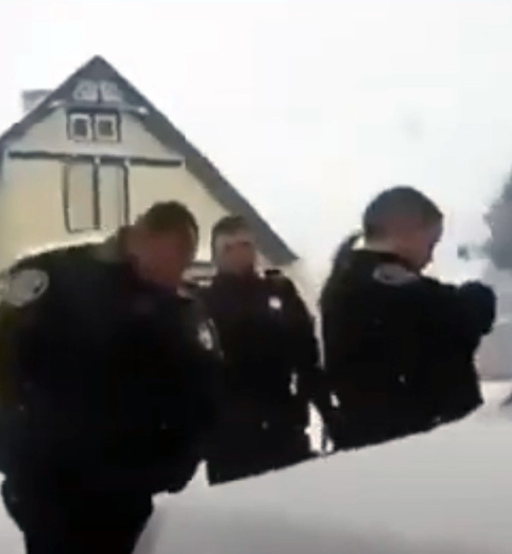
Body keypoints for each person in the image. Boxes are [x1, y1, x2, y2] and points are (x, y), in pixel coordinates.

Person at [1, 201, 222, 554]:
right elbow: (5, 364)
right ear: (141, 239)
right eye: (172, 260)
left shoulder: (177, 307)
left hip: (127, 495)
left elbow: (203, 389)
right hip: (55, 494)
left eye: (184, 264)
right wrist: (23, 456)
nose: (175, 275)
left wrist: (180, 461)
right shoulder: (56, 278)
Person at [320, 186, 496, 451]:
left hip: (383, 443)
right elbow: (461, 315)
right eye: (430, 244)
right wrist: (478, 294)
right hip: (414, 446)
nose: (430, 258)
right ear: (407, 231)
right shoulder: (381, 285)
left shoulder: (346, 280)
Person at [200, 215, 335, 484]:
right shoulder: (204, 304)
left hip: (284, 427)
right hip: (231, 439)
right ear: (215, 257)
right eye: (229, 248)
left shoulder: (279, 292)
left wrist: (328, 413)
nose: (239, 254)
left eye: (245, 245)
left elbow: (307, 358)